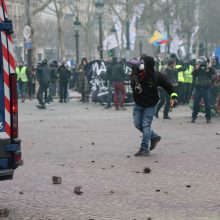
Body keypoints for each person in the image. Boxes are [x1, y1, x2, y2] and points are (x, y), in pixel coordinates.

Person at [130, 55, 178, 156]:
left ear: (148, 65)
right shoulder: (137, 73)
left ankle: (144, 148)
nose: (141, 64)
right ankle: (154, 137)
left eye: (143, 62)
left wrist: (174, 96)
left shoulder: (157, 76)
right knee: (137, 124)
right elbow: (132, 81)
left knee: (146, 125)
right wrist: (134, 72)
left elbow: (168, 86)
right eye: (140, 61)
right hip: (138, 103)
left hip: (151, 104)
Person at [191, 58, 215, 123]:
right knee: (196, 104)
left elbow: (213, 72)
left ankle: (208, 118)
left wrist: (210, 67)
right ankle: (194, 118)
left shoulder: (209, 69)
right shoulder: (198, 70)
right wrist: (196, 68)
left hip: (207, 88)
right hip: (198, 88)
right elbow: (192, 74)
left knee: (208, 104)